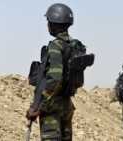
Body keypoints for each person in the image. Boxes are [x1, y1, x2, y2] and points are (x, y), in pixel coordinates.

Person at [26, 3, 79, 140]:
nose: (48, 25)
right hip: (67, 103)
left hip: (52, 106)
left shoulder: (56, 45)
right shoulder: (74, 45)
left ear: (55, 23)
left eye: (49, 22)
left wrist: (41, 106)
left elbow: (55, 78)